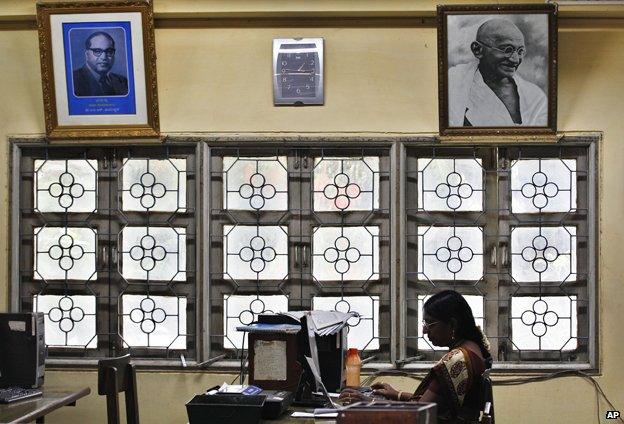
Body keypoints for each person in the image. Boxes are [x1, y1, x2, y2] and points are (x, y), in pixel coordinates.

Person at [339, 290, 492, 423]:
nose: (425, 331)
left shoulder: (457, 360)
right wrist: (396, 394)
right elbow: (433, 403)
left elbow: (419, 411)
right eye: (425, 322)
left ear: (452, 324)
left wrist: (370, 402)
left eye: (431, 323)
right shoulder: (473, 348)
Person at [447, 18, 547, 127]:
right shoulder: (454, 83)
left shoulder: (535, 97)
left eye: (520, 51)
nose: (515, 60)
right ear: (477, 50)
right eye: (507, 49)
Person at [72, 31, 128, 97]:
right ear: (87, 55)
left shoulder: (122, 81)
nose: (104, 57)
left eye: (109, 51)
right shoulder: (73, 80)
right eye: (97, 51)